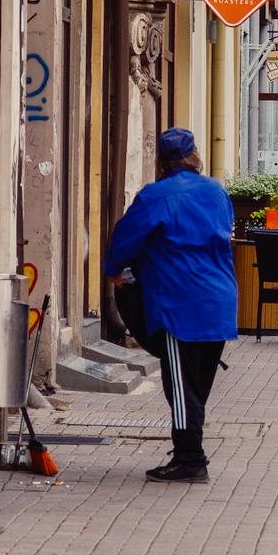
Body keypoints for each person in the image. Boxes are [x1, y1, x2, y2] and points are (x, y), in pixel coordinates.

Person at [100, 129, 239, 485]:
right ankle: (186, 452)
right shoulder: (217, 190)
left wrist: (115, 272)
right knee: (197, 387)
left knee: (181, 388)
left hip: (180, 306)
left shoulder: (156, 196)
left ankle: (191, 459)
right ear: (195, 155)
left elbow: (125, 238)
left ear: (160, 162)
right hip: (219, 301)